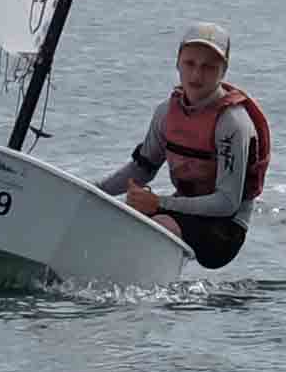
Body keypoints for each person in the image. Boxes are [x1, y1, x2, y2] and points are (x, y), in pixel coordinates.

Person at [111, 23, 270, 270]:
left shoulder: (232, 123)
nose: (196, 75)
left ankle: (140, 283)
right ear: (177, 62)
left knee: (158, 225)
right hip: (182, 210)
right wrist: (89, 191)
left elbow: (227, 203)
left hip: (225, 228)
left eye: (209, 67)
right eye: (190, 63)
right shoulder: (165, 113)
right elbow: (141, 170)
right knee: (118, 218)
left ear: (224, 70)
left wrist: (159, 203)